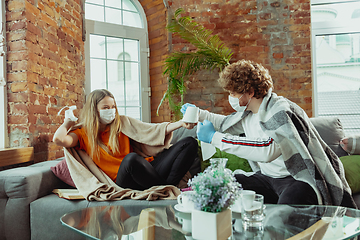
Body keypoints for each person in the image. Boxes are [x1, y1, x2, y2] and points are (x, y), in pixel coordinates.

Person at [182, 59, 356, 208]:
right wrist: (198, 113)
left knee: (289, 206)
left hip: (294, 178)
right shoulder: (248, 113)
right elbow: (225, 123)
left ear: (249, 92)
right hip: (267, 178)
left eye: (233, 93)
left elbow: (267, 150)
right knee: (225, 187)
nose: (231, 97)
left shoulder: (279, 111)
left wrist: (214, 138)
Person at [53, 89, 198, 191]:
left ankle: (167, 187)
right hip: (125, 180)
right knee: (130, 160)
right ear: (94, 110)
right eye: (105, 107)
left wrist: (180, 123)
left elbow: (151, 131)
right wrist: (68, 121)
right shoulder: (83, 134)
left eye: (113, 107)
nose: (111, 110)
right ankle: (164, 188)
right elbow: (59, 139)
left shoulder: (122, 123)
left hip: (148, 171)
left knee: (189, 143)